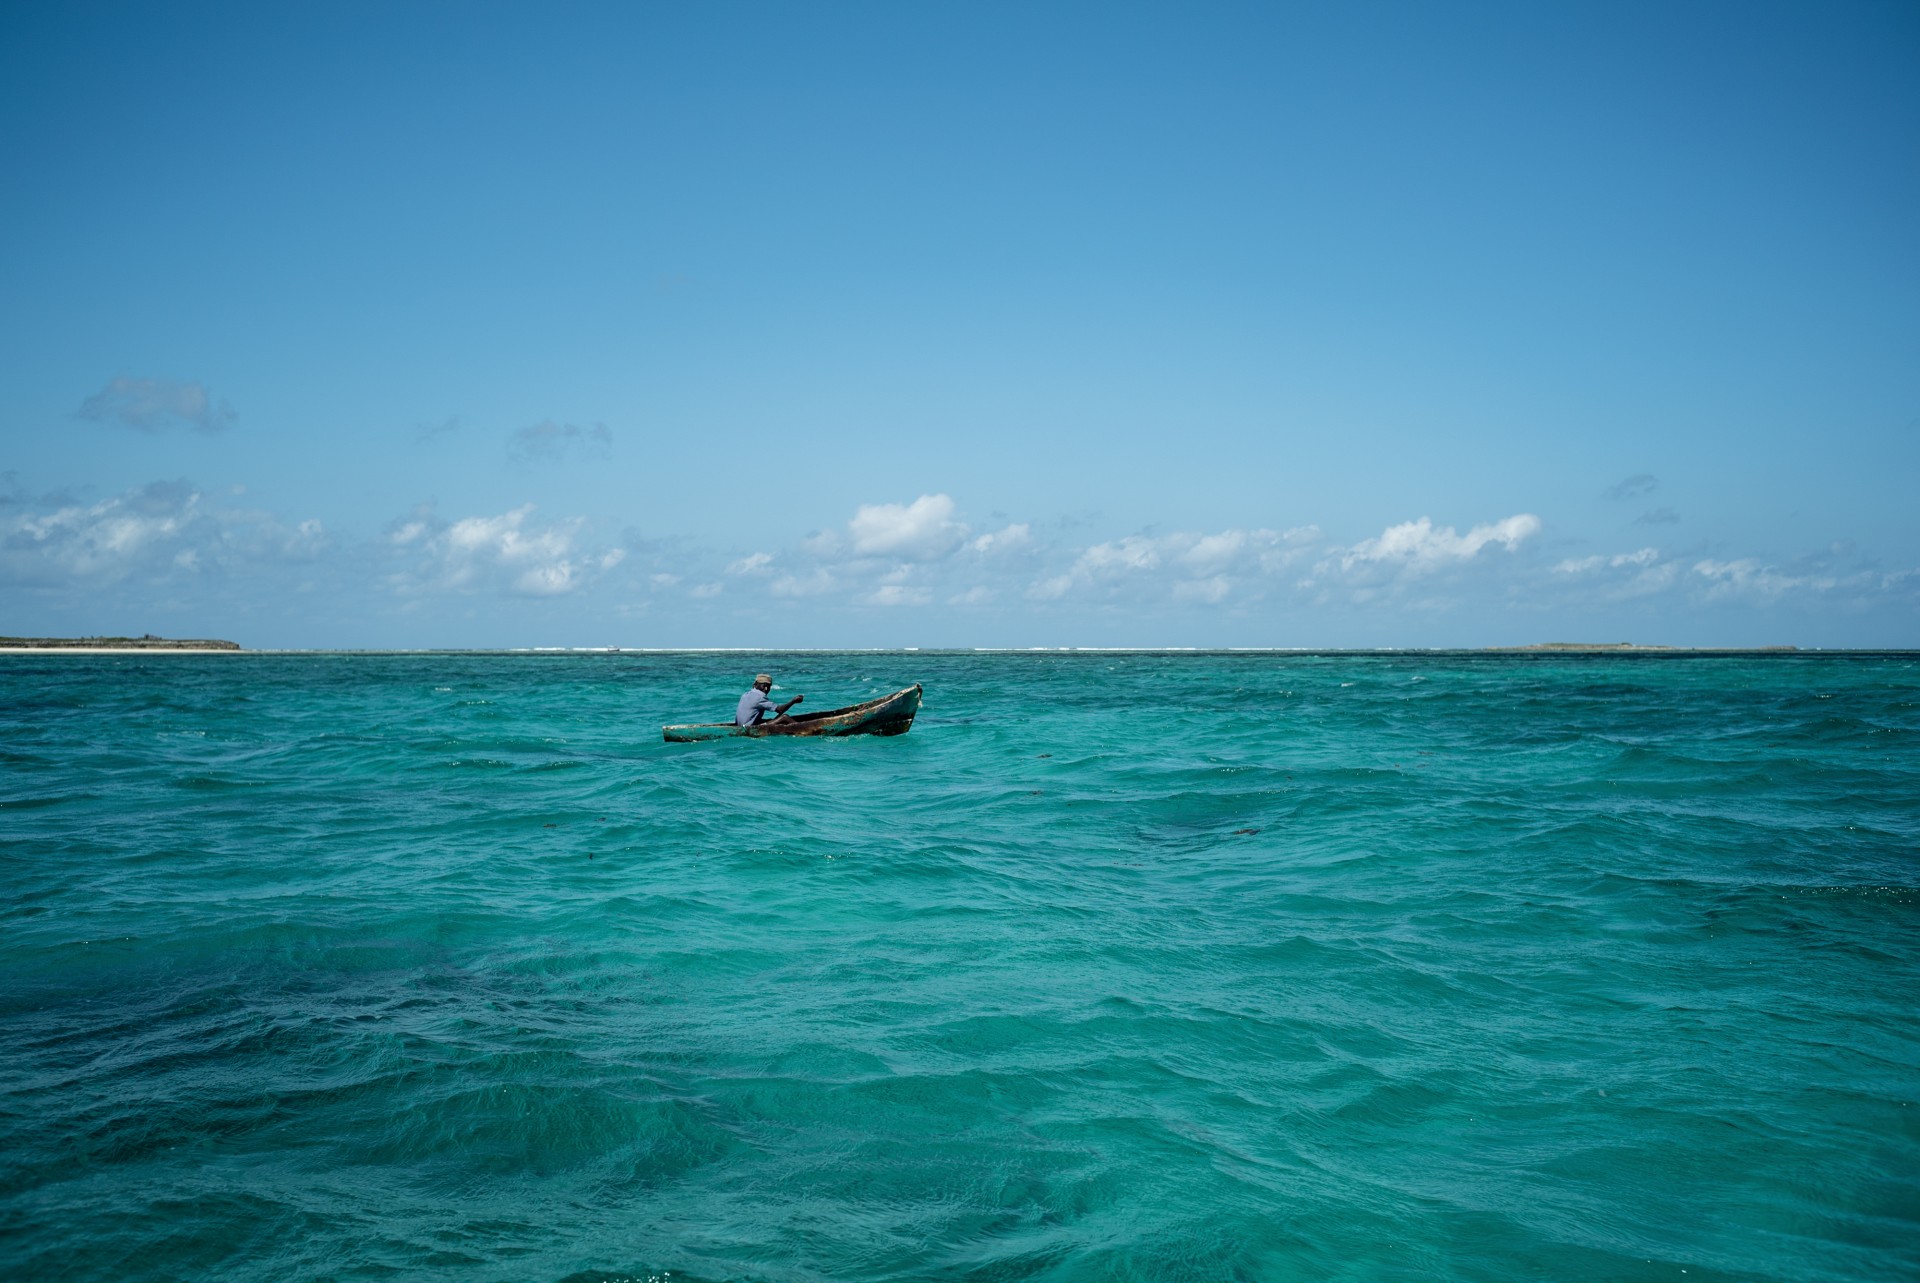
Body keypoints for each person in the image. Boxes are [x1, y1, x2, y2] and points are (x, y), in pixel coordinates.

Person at [736, 673, 803, 727]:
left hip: (741, 725)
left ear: (755, 685)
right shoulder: (760, 697)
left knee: (772, 720)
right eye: (769, 686)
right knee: (785, 717)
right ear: (765, 687)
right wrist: (793, 701)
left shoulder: (745, 695)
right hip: (749, 727)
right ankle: (802, 729)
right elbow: (779, 710)